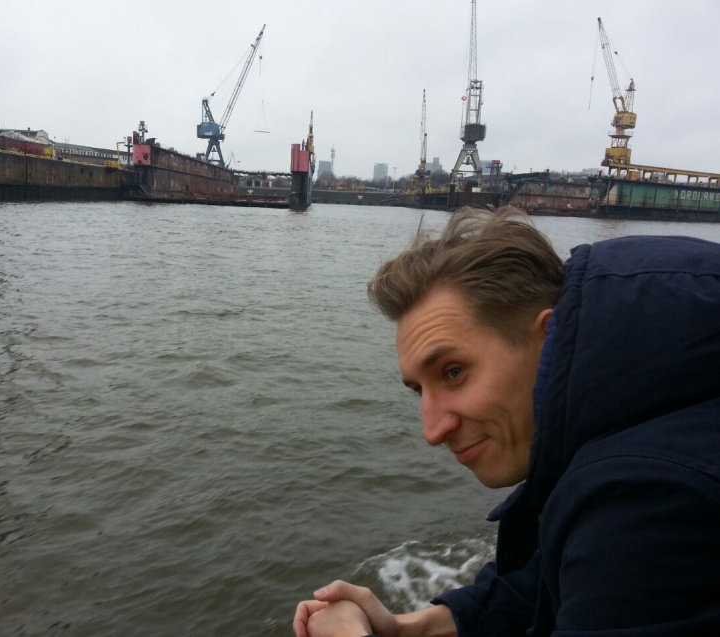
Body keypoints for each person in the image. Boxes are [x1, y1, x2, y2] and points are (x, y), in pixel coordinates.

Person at [293, 206, 720, 637]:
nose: (433, 431)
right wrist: (411, 628)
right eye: (419, 389)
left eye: (454, 372)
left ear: (548, 336)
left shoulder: (647, 498)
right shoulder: (637, 407)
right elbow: (548, 585)